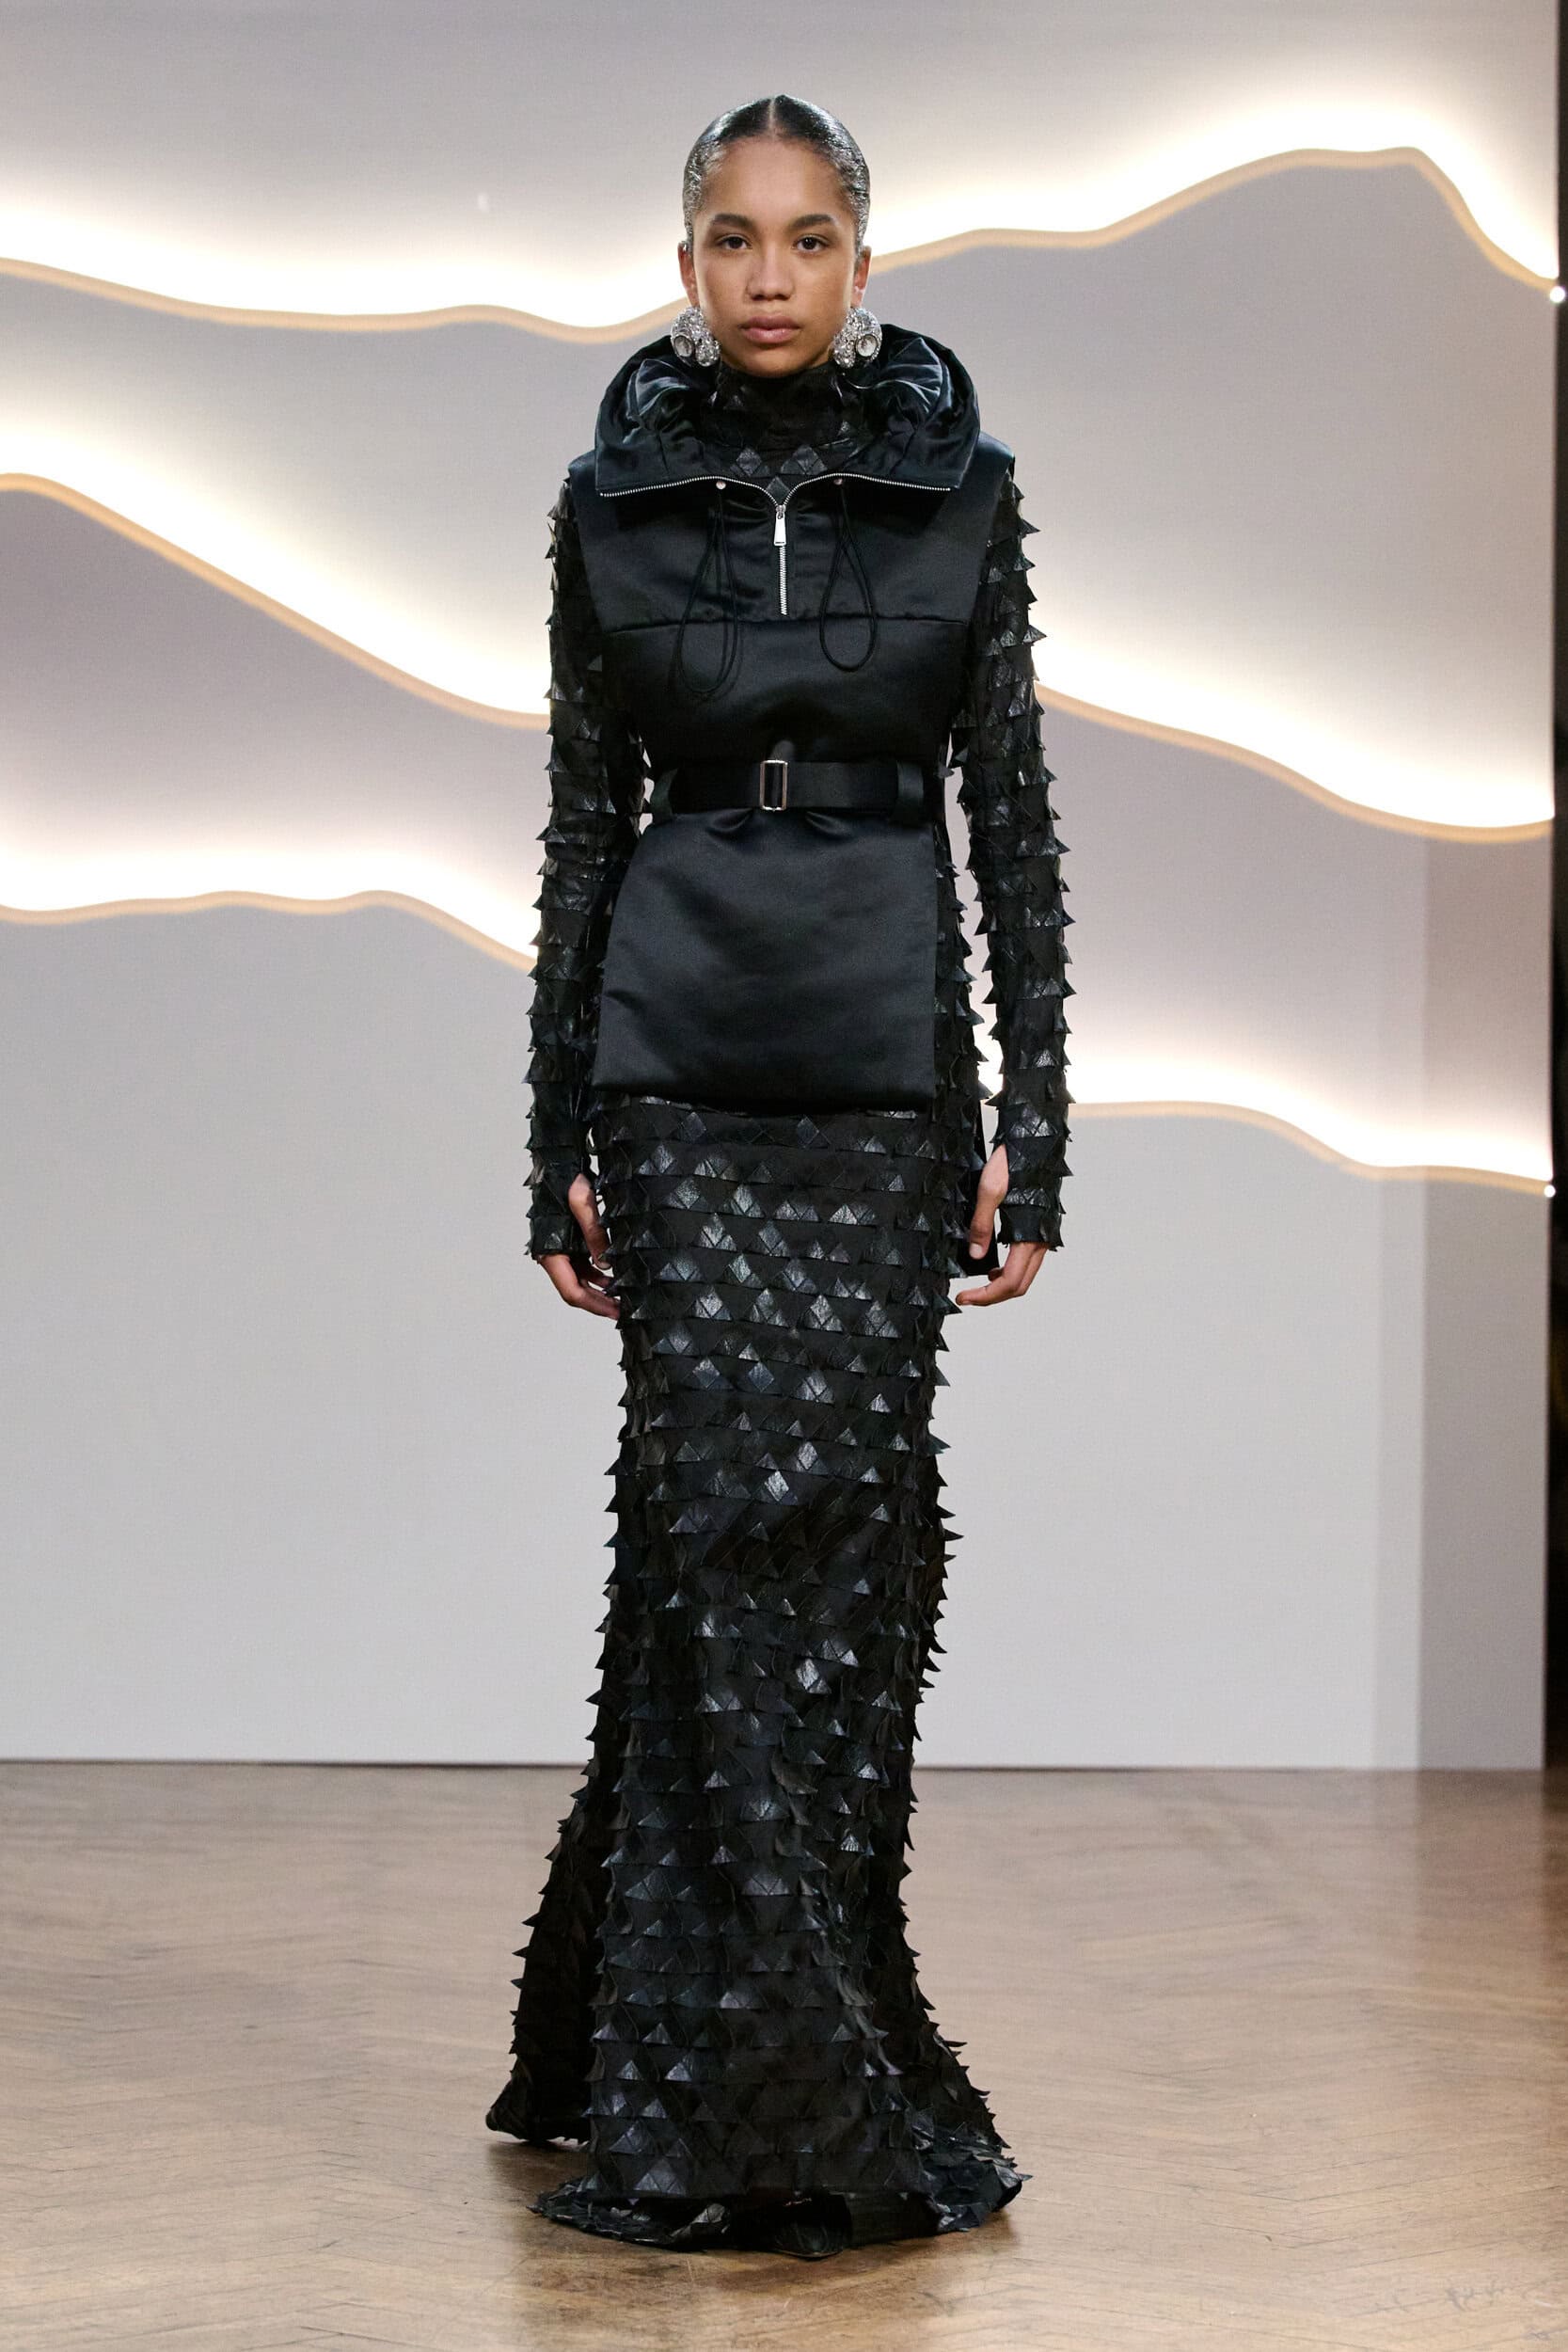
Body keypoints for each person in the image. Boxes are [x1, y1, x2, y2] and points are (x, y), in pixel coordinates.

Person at [485, 93, 1073, 2262]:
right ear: (683, 266)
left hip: (884, 1071)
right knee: (722, 1533)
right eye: (732, 239)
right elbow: (580, 825)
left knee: (848, 1544)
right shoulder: (610, 504)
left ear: (862, 264)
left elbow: (1010, 820)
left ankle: (720, 2021)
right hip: (676, 1064)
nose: (767, 275)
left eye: (806, 238)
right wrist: (551, 1132)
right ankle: (740, 2065)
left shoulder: (962, 495)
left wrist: (1034, 1126)